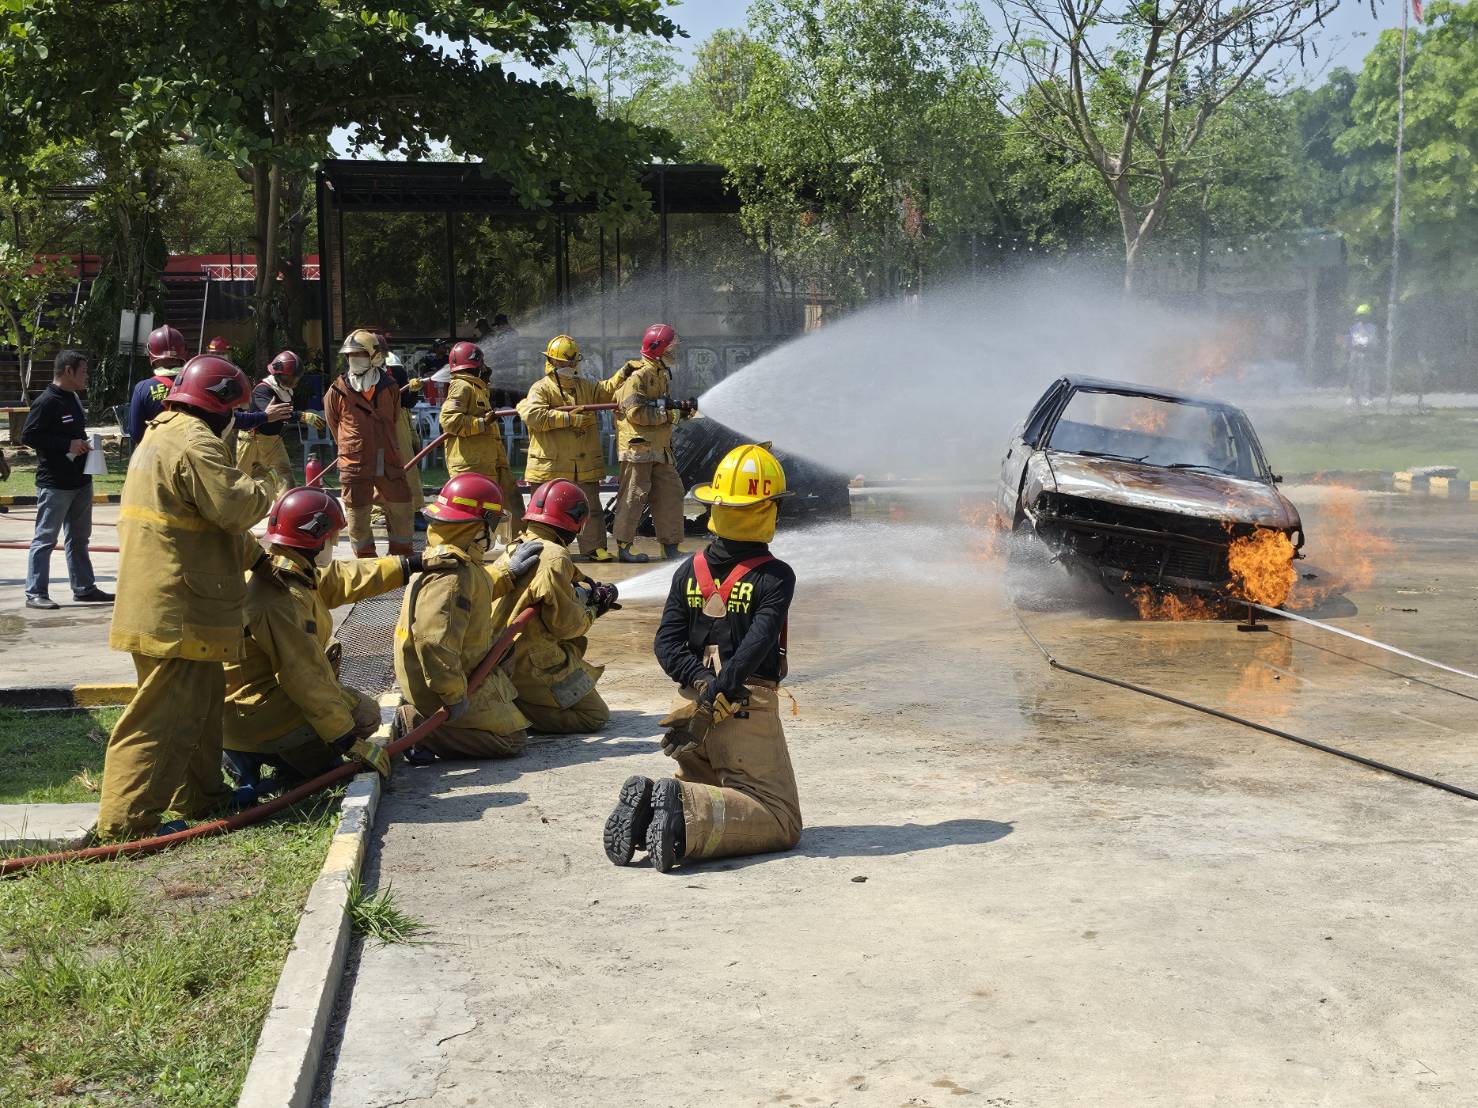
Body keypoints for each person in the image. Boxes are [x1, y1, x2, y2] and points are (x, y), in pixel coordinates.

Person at [98, 354, 275, 841]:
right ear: (219, 407)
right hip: (180, 604)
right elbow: (234, 507)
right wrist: (268, 484)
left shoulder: (162, 434)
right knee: (161, 716)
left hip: (163, 599)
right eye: (232, 411)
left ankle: (200, 795)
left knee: (199, 705)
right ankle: (126, 823)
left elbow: (204, 522)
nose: (233, 420)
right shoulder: (196, 442)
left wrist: (259, 559)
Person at [604, 443, 800, 873]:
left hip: (688, 709)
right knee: (780, 819)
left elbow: (666, 643)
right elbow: (755, 648)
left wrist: (701, 684)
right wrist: (721, 692)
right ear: (768, 510)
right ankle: (679, 805)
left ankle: (651, 814)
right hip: (741, 707)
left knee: (711, 791)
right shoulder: (775, 576)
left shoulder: (687, 569)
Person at [222, 486, 407, 793]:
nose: (334, 544)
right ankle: (283, 759)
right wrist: (346, 739)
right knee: (363, 715)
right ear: (317, 536)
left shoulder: (280, 568)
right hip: (256, 713)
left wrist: (409, 565)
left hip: (240, 707)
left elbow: (341, 578)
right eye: (332, 537)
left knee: (347, 708)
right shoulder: (280, 598)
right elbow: (304, 677)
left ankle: (253, 753)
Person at [392, 474, 544, 762]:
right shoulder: (452, 577)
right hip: (439, 688)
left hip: (442, 676)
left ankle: (429, 725)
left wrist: (507, 573)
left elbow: (475, 592)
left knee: (508, 688)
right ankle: (418, 726)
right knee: (510, 738)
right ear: (478, 526)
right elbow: (432, 643)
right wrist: (453, 697)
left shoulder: (449, 558)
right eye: (493, 523)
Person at [489, 479, 618, 734]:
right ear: (577, 519)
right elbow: (567, 626)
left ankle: (513, 701)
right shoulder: (556, 557)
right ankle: (514, 713)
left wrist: (581, 591)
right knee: (594, 715)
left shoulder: (519, 546)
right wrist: (594, 610)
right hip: (529, 661)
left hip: (501, 656)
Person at [517, 334, 626, 563]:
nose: (570, 365)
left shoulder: (584, 386)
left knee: (591, 507)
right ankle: (545, 550)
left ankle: (594, 548)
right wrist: (568, 419)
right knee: (546, 512)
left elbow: (605, 391)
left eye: (572, 361)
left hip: (583, 464)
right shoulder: (541, 388)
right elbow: (533, 415)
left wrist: (622, 374)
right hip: (551, 464)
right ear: (551, 361)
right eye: (564, 361)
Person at [22, 349, 112, 610]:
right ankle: (35, 592)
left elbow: (72, 432)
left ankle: (84, 588)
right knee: (45, 539)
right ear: (68, 371)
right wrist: (66, 445)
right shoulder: (46, 401)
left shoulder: (72, 398)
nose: (87, 376)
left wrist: (84, 444)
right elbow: (29, 436)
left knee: (79, 538)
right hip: (55, 484)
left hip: (80, 480)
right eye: (83, 371)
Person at [610, 323, 698, 563]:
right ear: (658, 348)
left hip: (660, 448)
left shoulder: (660, 373)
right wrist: (670, 415)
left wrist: (681, 411)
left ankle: (670, 546)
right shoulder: (637, 376)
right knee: (634, 496)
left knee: (672, 493)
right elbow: (635, 412)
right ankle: (625, 547)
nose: (673, 351)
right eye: (670, 347)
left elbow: (662, 407)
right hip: (638, 449)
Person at [324, 328, 414, 557]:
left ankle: (400, 558)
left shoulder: (389, 387)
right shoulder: (336, 390)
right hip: (354, 463)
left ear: (374, 356)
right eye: (350, 355)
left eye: (360, 354)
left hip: (389, 460)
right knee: (358, 514)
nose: (354, 359)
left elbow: (393, 417)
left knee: (401, 505)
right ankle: (366, 561)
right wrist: (352, 445)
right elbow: (334, 425)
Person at [439, 339, 522, 532]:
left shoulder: (475, 387)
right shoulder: (461, 386)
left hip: (487, 462)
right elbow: (449, 420)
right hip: (471, 465)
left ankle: (520, 542)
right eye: (481, 364)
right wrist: (482, 423)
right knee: (474, 518)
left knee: (512, 504)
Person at [235, 350, 327, 500]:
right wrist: (301, 416)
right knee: (244, 484)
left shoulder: (286, 391)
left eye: (295, 378)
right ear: (278, 374)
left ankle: (283, 511)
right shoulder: (262, 390)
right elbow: (274, 413)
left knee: (285, 477)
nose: (293, 382)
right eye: (289, 378)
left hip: (273, 441)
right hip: (251, 440)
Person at [381, 350, 426, 527]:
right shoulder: (371, 373)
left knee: (407, 464)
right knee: (385, 468)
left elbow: (406, 401)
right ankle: (385, 510)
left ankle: (413, 509)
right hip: (385, 421)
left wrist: (412, 391)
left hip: (400, 418)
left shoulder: (390, 363)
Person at [126, 324, 187, 445]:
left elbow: (135, 433)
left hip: (157, 453)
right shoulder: (196, 384)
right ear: (183, 352)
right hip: (191, 453)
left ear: (151, 354)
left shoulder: (142, 389)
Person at [1348, 303, 1379, 405]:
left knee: (1367, 376)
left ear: (1367, 316)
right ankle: (1353, 396)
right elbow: (1352, 339)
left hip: (1367, 353)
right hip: (1355, 352)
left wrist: (1367, 344)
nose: (1360, 318)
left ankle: (1368, 397)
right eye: (1359, 315)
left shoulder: (1372, 327)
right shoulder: (1354, 327)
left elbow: (1372, 340)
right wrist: (1352, 345)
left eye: (1363, 315)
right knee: (1353, 375)